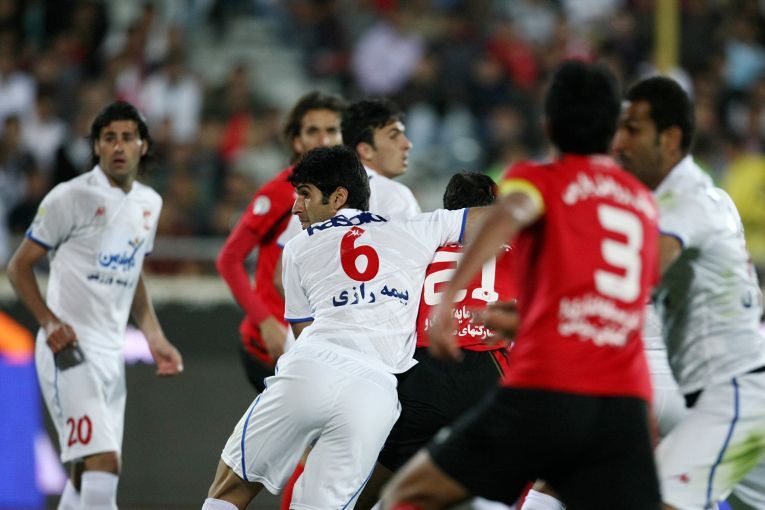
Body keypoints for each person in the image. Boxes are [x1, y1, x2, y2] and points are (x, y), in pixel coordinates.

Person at [381, 60, 662, 510]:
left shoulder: (538, 178)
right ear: (613, 129)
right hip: (624, 395)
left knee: (409, 494)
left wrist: (450, 297)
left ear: (548, 124)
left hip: (551, 385)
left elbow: (506, 214)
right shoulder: (643, 204)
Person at [202, 145, 491, 510]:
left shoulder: (296, 249)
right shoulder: (415, 230)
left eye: (305, 195)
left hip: (313, 370)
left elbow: (302, 332)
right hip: (375, 396)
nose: (296, 207)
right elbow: (492, 217)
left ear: (338, 197)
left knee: (230, 489)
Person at [7, 101, 183, 510]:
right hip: (68, 349)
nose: (118, 146)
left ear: (143, 145)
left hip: (110, 351)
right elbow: (19, 267)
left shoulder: (149, 203)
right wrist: (49, 322)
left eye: (127, 137)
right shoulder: (71, 196)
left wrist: (154, 334)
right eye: (109, 138)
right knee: (104, 463)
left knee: (84, 473)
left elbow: (132, 269)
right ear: (97, 147)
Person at [612, 75, 765, 510]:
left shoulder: (690, 203)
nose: (620, 142)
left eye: (633, 130)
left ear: (670, 139)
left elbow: (643, 271)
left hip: (733, 393)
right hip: (703, 390)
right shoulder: (700, 201)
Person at [355, 171, 516, 510]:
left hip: (422, 373)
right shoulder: (516, 247)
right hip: (486, 371)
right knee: (528, 474)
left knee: (374, 487)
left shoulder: (423, 245)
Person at [215, 91, 346, 393]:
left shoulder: (346, 195)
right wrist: (264, 322)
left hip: (314, 341)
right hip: (273, 342)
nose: (324, 139)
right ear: (297, 141)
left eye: (332, 130)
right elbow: (229, 259)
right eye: (313, 131)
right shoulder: (279, 193)